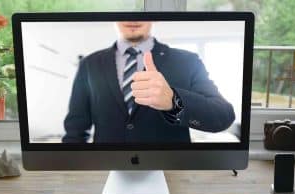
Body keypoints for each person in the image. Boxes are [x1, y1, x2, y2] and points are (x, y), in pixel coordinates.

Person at [63, 22, 235, 143]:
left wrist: (174, 101)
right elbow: (75, 129)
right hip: (106, 171)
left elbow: (222, 116)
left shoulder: (187, 61)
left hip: (173, 173)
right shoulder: (89, 64)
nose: (132, 18)